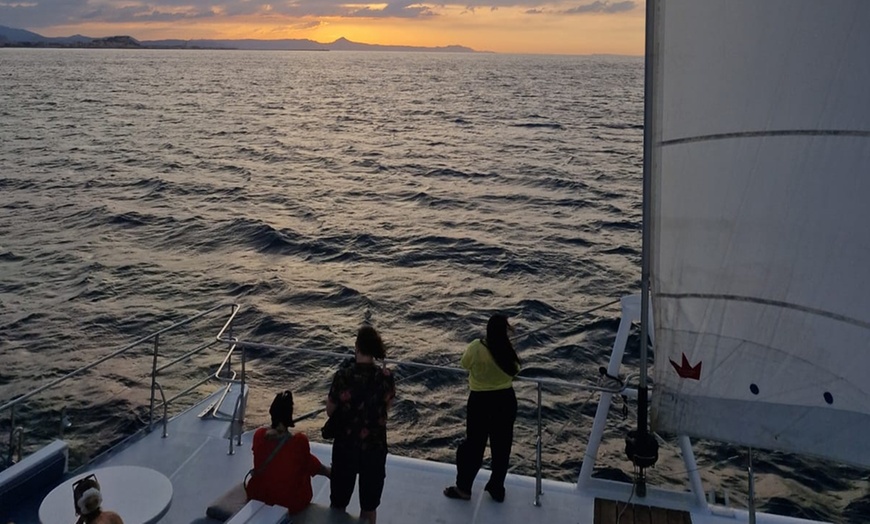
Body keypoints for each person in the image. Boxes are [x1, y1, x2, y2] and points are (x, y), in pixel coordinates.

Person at [444, 313, 521, 503]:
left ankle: (464, 488)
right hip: (505, 401)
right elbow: (516, 370)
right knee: (502, 447)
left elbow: (464, 364)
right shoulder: (507, 349)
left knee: (474, 447)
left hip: (480, 402)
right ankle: (496, 488)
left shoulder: (476, 347)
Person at [326, 325, 396, 524]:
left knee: (338, 504)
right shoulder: (386, 377)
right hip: (374, 448)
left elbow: (330, 411)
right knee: (369, 506)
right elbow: (387, 407)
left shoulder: (343, 376)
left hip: (345, 447)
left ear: (356, 347)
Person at [246, 390, 331, 514]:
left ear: (272, 413)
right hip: (289, 503)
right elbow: (313, 465)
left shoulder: (259, 435)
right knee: (302, 466)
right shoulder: (299, 442)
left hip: (259, 496)